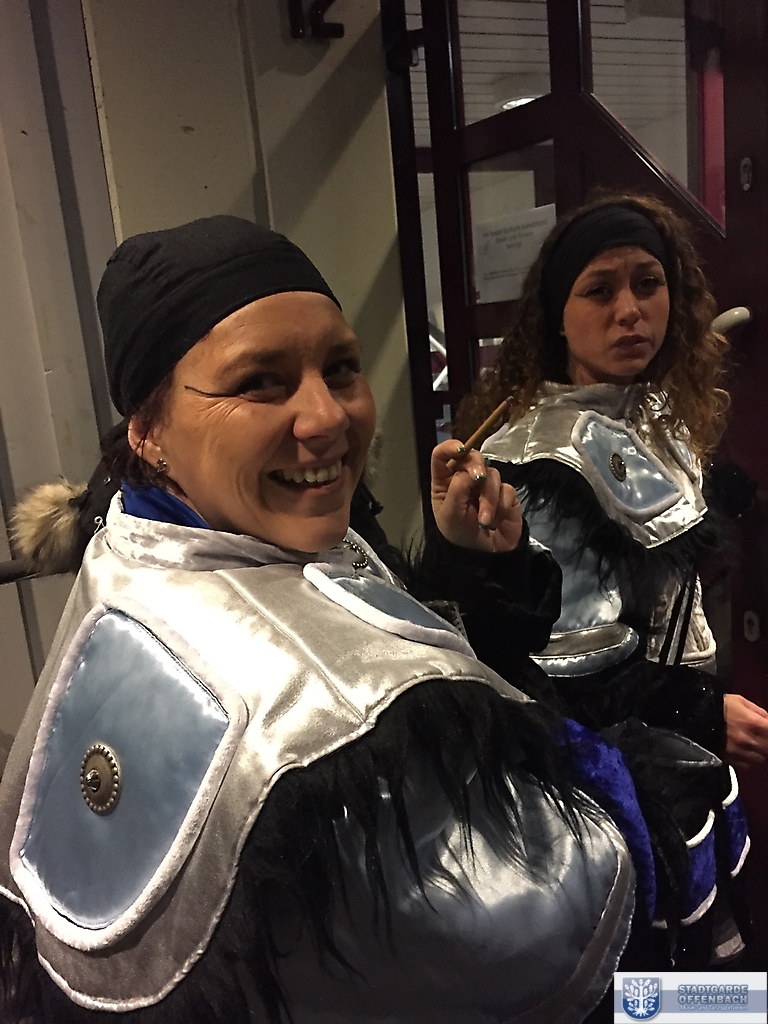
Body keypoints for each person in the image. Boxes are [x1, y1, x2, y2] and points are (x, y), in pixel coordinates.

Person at [0, 216, 634, 1023]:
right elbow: (530, 935)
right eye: (260, 381)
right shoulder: (297, 710)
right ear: (149, 430)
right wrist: (646, 798)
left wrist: (471, 565)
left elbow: (383, 640)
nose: (326, 416)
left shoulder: (158, 536)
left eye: (340, 369)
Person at [424, 192, 765, 966]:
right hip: (607, 783)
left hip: (674, 755)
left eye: (648, 283)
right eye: (599, 290)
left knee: (716, 997)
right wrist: (703, 711)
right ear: (558, 315)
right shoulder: (543, 463)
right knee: (656, 993)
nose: (630, 311)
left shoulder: (649, 411)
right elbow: (559, 676)